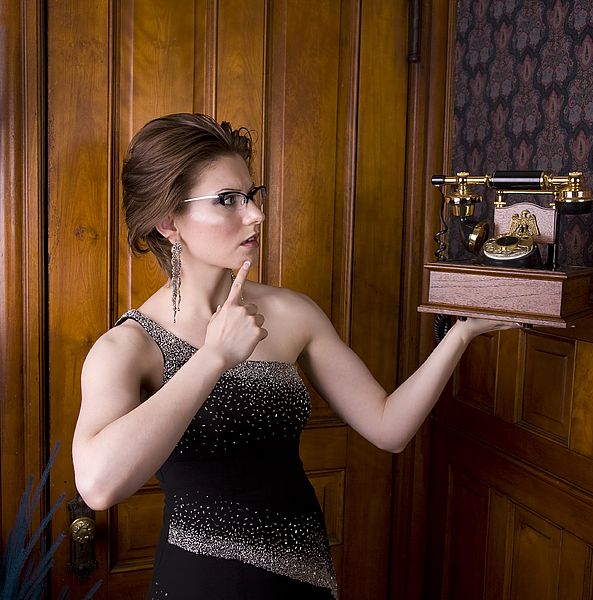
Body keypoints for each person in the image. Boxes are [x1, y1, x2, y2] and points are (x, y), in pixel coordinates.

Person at [72, 112, 515, 600]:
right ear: (168, 221)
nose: (256, 214)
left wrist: (461, 335)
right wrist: (213, 357)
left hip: (307, 579)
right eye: (227, 200)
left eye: (252, 195)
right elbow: (97, 486)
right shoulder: (129, 346)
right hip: (203, 585)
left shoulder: (292, 312)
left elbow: (388, 428)